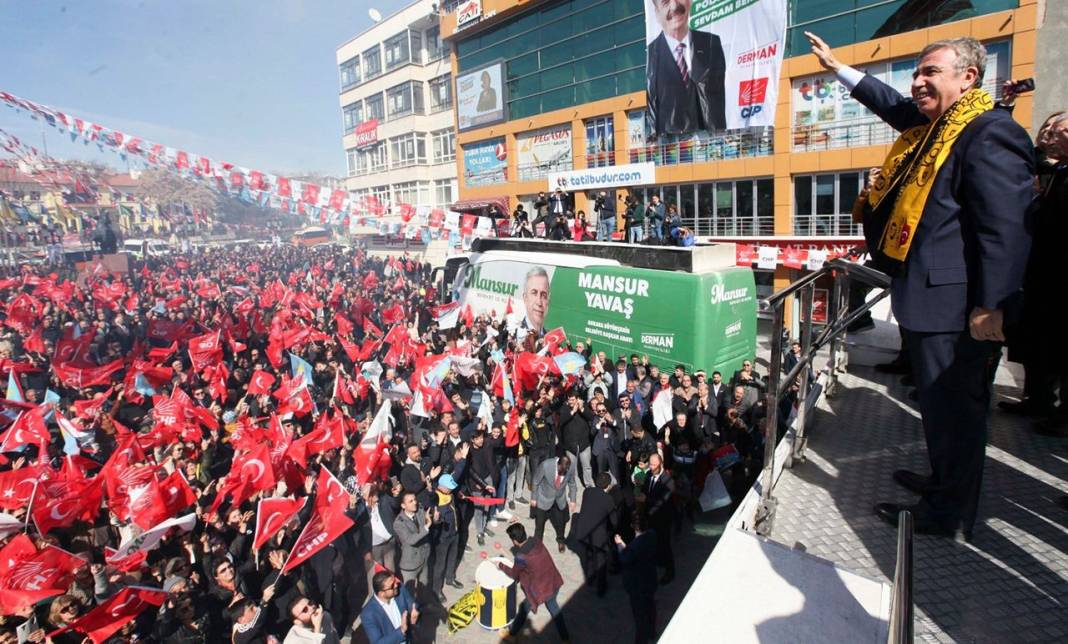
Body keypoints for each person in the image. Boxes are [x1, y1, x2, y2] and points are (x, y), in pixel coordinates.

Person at [807, 33, 1034, 540]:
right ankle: (940, 483)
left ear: (967, 77)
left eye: (930, 72)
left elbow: (1006, 228)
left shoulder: (986, 132)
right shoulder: (937, 128)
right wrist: (839, 67)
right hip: (931, 303)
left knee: (957, 414)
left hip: (958, 311)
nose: (917, 82)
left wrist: (991, 304)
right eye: (916, 73)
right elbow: (892, 103)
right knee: (939, 410)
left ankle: (948, 515)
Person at [646, 0, 726, 136]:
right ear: (657, 12)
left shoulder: (712, 43)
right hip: (672, 140)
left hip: (709, 136)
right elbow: (653, 103)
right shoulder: (651, 55)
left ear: (689, 2)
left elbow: (721, 92)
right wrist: (653, 135)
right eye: (665, 2)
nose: (674, 6)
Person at [497, 523, 570, 642]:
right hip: (553, 581)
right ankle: (566, 639)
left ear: (515, 541)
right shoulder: (537, 541)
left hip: (540, 590)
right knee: (553, 607)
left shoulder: (521, 557)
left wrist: (500, 565)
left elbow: (514, 574)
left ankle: (512, 634)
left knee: (524, 608)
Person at [567, 472, 619, 596]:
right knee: (601, 562)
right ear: (608, 485)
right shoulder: (608, 499)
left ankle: (590, 579)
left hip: (583, 532)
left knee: (588, 557)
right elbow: (614, 521)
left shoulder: (587, 492)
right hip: (598, 537)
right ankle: (601, 588)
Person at [616, 513, 658, 644]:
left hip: (637, 585)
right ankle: (652, 631)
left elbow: (625, 559)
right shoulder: (652, 534)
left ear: (633, 527)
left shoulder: (635, 546)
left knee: (640, 616)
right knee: (650, 606)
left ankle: (641, 640)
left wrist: (619, 545)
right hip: (650, 578)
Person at [530, 454, 578, 552]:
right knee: (539, 526)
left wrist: (573, 500)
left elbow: (572, 484)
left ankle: (561, 541)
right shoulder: (546, 465)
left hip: (559, 499)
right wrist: (534, 498)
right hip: (544, 498)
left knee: (561, 523)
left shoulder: (570, 468)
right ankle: (537, 546)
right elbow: (535, 481)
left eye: (565, 471)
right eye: (561, 471)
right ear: (558, 464)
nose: (563, 474)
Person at [640, 453, 675, 583]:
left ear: (660, 464)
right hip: (650, 516)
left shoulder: (668, 481)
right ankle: (658, 560)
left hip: (663, 518)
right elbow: (645, 488)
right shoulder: (649, 474)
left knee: (665, 544)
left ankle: (670, 571)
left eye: (655, 464)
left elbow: (663, 501)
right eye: (651, 464)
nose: (652, 467)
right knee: (654, 542)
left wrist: (646, 499)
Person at [360, 571, 419, 644]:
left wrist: (414, 616)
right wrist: (401, 631)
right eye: (392, 586)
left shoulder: (400, 590)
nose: (396, 585)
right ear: (381, 593)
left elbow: (412, 605)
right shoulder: (368, 614)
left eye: (394, 581)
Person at [392, 491, 432, 594]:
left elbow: (428, 519)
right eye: (410, 501)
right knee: (409, 592)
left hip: (423, 557)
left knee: (424, 585)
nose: (415, 503)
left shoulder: (419, 510)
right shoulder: (399, 523)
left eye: (415, 500)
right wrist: (426, 527)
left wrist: (435, 518)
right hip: (410, 563)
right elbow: (411, 540)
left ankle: (423, 605)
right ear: (403, 505)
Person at [519, 266, 551, 337]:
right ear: (525, 298)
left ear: (548, 301)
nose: (539, 302)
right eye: (534, 293)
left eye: (543, 295)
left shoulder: (550, 343)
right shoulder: (513, 336)